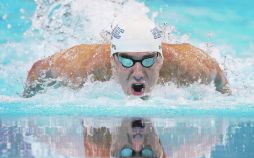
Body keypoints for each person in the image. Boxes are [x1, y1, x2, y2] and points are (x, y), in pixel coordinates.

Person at [23, 17, 231, 98]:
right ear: (113, 60)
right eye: (126, 60)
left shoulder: (187, 67)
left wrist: (227, 95)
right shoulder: (88, 67)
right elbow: (39, 70)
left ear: (161, 59)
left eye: (148, 60)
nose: (138, 74)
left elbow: (219, 77)